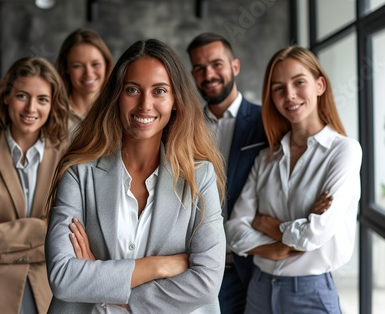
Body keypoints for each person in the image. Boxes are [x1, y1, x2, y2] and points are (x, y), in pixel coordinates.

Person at [45, 39, 226, 314]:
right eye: (132, 90)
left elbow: (206, 283)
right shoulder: (78, 173)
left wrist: (102, 284)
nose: (145, 104)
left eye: (159, 91)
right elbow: (63, 277)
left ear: (175, 101)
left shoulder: (199, 177)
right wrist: (159, 266)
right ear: (117, 95)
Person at [225, 45, 362, 314]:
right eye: (278, 88)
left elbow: (315, 234)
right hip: (259, 289)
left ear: (320, 85)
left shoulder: (344, 151)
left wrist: (266, 223)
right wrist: (273, 249)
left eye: (299, 82)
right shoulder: (267, 157)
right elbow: (234, 230)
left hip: (310, 294)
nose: (289, 95)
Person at [0, 57, 69, 313]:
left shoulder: (67, 157)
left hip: (51, 293)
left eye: (42, 99)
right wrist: (44, 228)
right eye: (22, 96)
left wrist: (5, 247)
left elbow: (72, 240)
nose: (31, 108)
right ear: (6, 97)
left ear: (52, 105)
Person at [187, 32, 267, 314]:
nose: (208, 74)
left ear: (235, 66)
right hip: (200, 265)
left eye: (216, 64)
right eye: (199, 68)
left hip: (253, 263)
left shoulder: (265, 121)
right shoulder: (186, 128)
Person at [55, 28, 113, 136]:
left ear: (106, 64)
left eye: (95, 64)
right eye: (78, 66)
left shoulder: (117, 111)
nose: (89, 73)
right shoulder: (53, 114)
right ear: (66, 68)